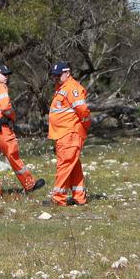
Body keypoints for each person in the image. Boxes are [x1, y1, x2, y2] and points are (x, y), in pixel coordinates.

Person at [0, 64, 45, 199]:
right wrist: (12, 117)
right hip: (0, 128)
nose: (7, 77)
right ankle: (29, 185)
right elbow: (5, 107)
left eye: (8, 74)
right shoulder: (0, 86)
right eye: (4, 74)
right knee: (13, 155)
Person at [47, 62, 91, 206]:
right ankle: (79, 197)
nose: (56, 78)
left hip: (69, 132)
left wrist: (83, 127)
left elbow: (83, 110)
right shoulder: (62, 87)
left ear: (68, 73)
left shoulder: (72, 88)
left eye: (58, 75)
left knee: (65, 164)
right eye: (54, 76)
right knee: (73, 164)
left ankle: (58, 198)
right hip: (63, 133)